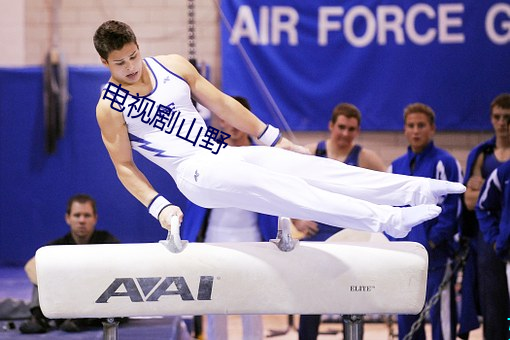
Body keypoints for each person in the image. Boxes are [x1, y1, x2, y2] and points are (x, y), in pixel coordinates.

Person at [93, 20, 465, 249]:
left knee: (311, 168)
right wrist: (159, 206)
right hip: (193, 174)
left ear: (139, 47)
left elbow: (222, 103)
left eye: (133, 57)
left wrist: (273, 138)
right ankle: (385, 220)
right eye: (119, 64)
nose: (129, 68)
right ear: (105, 63)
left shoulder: (172, 66)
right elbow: (124, 167)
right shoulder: (110, 108)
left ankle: (412, 189)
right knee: (282, 189)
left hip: (222, 157)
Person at [181, 96, 278, 340]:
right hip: (215, 236)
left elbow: (274, 198)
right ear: (222, 121)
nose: (233, 126)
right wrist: (187, 237)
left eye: (238, 120)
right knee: (215, 304)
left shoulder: (262, 158)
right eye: (227, 120)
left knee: (253, 304)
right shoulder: (205, 152)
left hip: (253, 238)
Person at [295, 102, 386, 340]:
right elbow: (285, 189)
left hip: (351, 239)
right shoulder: (311, 152)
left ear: (357, 131)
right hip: (317, 235)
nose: (345, 134)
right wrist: (297, 219)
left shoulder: (365, 158)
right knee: (310, 302)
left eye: (351, 129)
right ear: (331, 126)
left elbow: (389, 192)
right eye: (341, 127)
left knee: (353, 300)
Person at [387, 103, 462, 340]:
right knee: (407, 321)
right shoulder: (395, 167)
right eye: (411, 126)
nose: (416, 131)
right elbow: (388, 209)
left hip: (436, 257)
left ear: (432, 129)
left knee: (442, 320)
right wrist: (395, 243)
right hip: (405, 259)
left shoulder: (445, 163)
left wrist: (432, 241)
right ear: (405, 130)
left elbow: (452, 209)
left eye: (421, 125)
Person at [19, 194, 120, 334]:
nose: (82, 220)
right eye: (77, 215)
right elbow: (30, 266)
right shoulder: (57, 246)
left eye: (87, 215)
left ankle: (80, 319)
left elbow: (118, 270)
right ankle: (38, 318)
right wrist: (60, 283)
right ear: (68, 218)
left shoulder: (108, 242)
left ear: (95, 218)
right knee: (42, 270)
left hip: (96, 301)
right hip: (65, 298)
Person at [460, 93, 510, 340]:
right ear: (491, 119)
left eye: (507, 118)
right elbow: (469, 202)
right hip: (489, 238)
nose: (502, 123)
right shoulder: (482, 154)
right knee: (493, 304)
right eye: (497, 117)